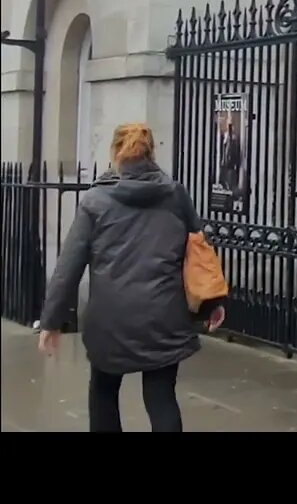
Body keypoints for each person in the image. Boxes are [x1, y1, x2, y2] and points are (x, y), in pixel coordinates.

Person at [37, 122, 226, 432]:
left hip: (110, 320)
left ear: (115, 153)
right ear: (152, 152)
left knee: (103, 392)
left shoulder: (96, 201)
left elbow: (68, 266)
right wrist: (212, 302)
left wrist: (51, 320)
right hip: (164, 317)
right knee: (161, 397)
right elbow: (200, 255)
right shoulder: (176, 195)